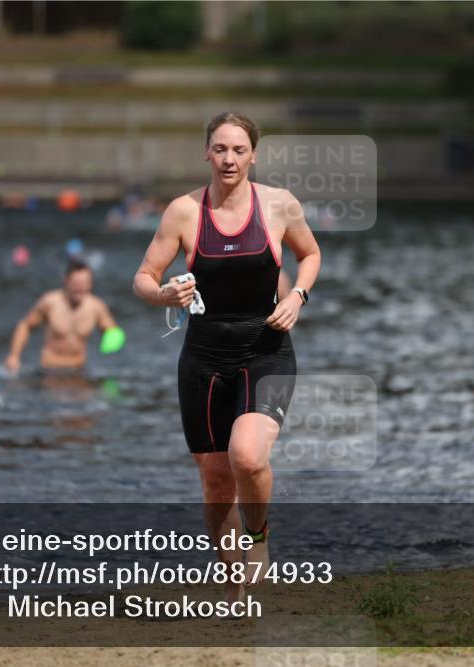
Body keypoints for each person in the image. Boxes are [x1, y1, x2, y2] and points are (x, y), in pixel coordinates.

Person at [132, 112, 321, 602]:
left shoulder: (279, 205)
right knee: (216, 481)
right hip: (203, 358)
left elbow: (311, 255)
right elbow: (144, 277)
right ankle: (234, 583)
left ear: (253, 155)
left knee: (247, 456)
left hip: (266, 349)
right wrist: (164, 296)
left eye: (239, 150)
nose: (229, 159)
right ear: (207, 154)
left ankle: (259, 539)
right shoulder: (183, 212)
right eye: (220, 149)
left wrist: (296, 297)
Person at [5, 259, 119, 373]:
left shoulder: (96, 307)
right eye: (76, 284)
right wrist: (14, 355)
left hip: (79, 370)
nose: (81, 289)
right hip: (50, 369)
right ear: (66, 281)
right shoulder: (50, 302)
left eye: (85, 284)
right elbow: (25, 325)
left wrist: (111, 339)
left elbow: (112, 330)